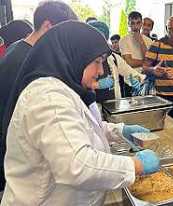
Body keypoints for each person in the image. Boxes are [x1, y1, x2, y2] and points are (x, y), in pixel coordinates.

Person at [0, 21, 159, 206]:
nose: (100, 71)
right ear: (74, 56)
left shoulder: (64, 88)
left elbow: (81, 126)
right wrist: (135, 165)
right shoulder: (48, 98)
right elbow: (77, 165)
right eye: (96, 62)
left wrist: (119, 131)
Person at [0, 0, 79, 192]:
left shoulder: (18, 47)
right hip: (16, 153)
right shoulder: (29, 59)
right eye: (63, 34)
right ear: (48, 26)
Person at [143, 16, 173, 123]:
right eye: (171, 29)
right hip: (161, 97)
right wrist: (153, 69)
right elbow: (144, 68)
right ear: (166, 28)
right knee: (160, 127)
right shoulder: (157, 44)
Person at [87, 20, 145, 101]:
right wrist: (96, 85)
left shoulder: (114, 58)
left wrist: (138, 79)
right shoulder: (82, 60)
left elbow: (130, 73)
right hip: (92, 109)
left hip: (113, 108)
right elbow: (76, 86)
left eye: (103, 39)